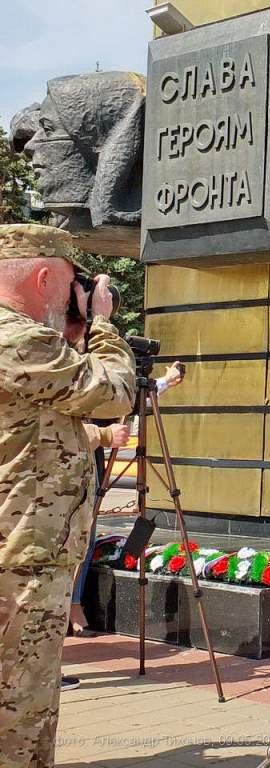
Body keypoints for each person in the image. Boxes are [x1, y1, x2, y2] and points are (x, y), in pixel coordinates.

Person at [0, 223, 136, 767]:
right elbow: (115, 392)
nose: (74, 294)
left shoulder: (30, 344)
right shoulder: (18, 340)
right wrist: (103, 325)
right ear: (42, 278)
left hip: (22, 547)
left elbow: (47, 426)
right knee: (21, 704)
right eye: (69, 283)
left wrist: (74, 329)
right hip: (21, 558)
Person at [68, 362, 184, 637]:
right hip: (56, 461)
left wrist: (162, 383)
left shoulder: (90, 363)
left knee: (85, 531)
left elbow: (118, 402)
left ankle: (73, 603)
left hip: (88, 456)